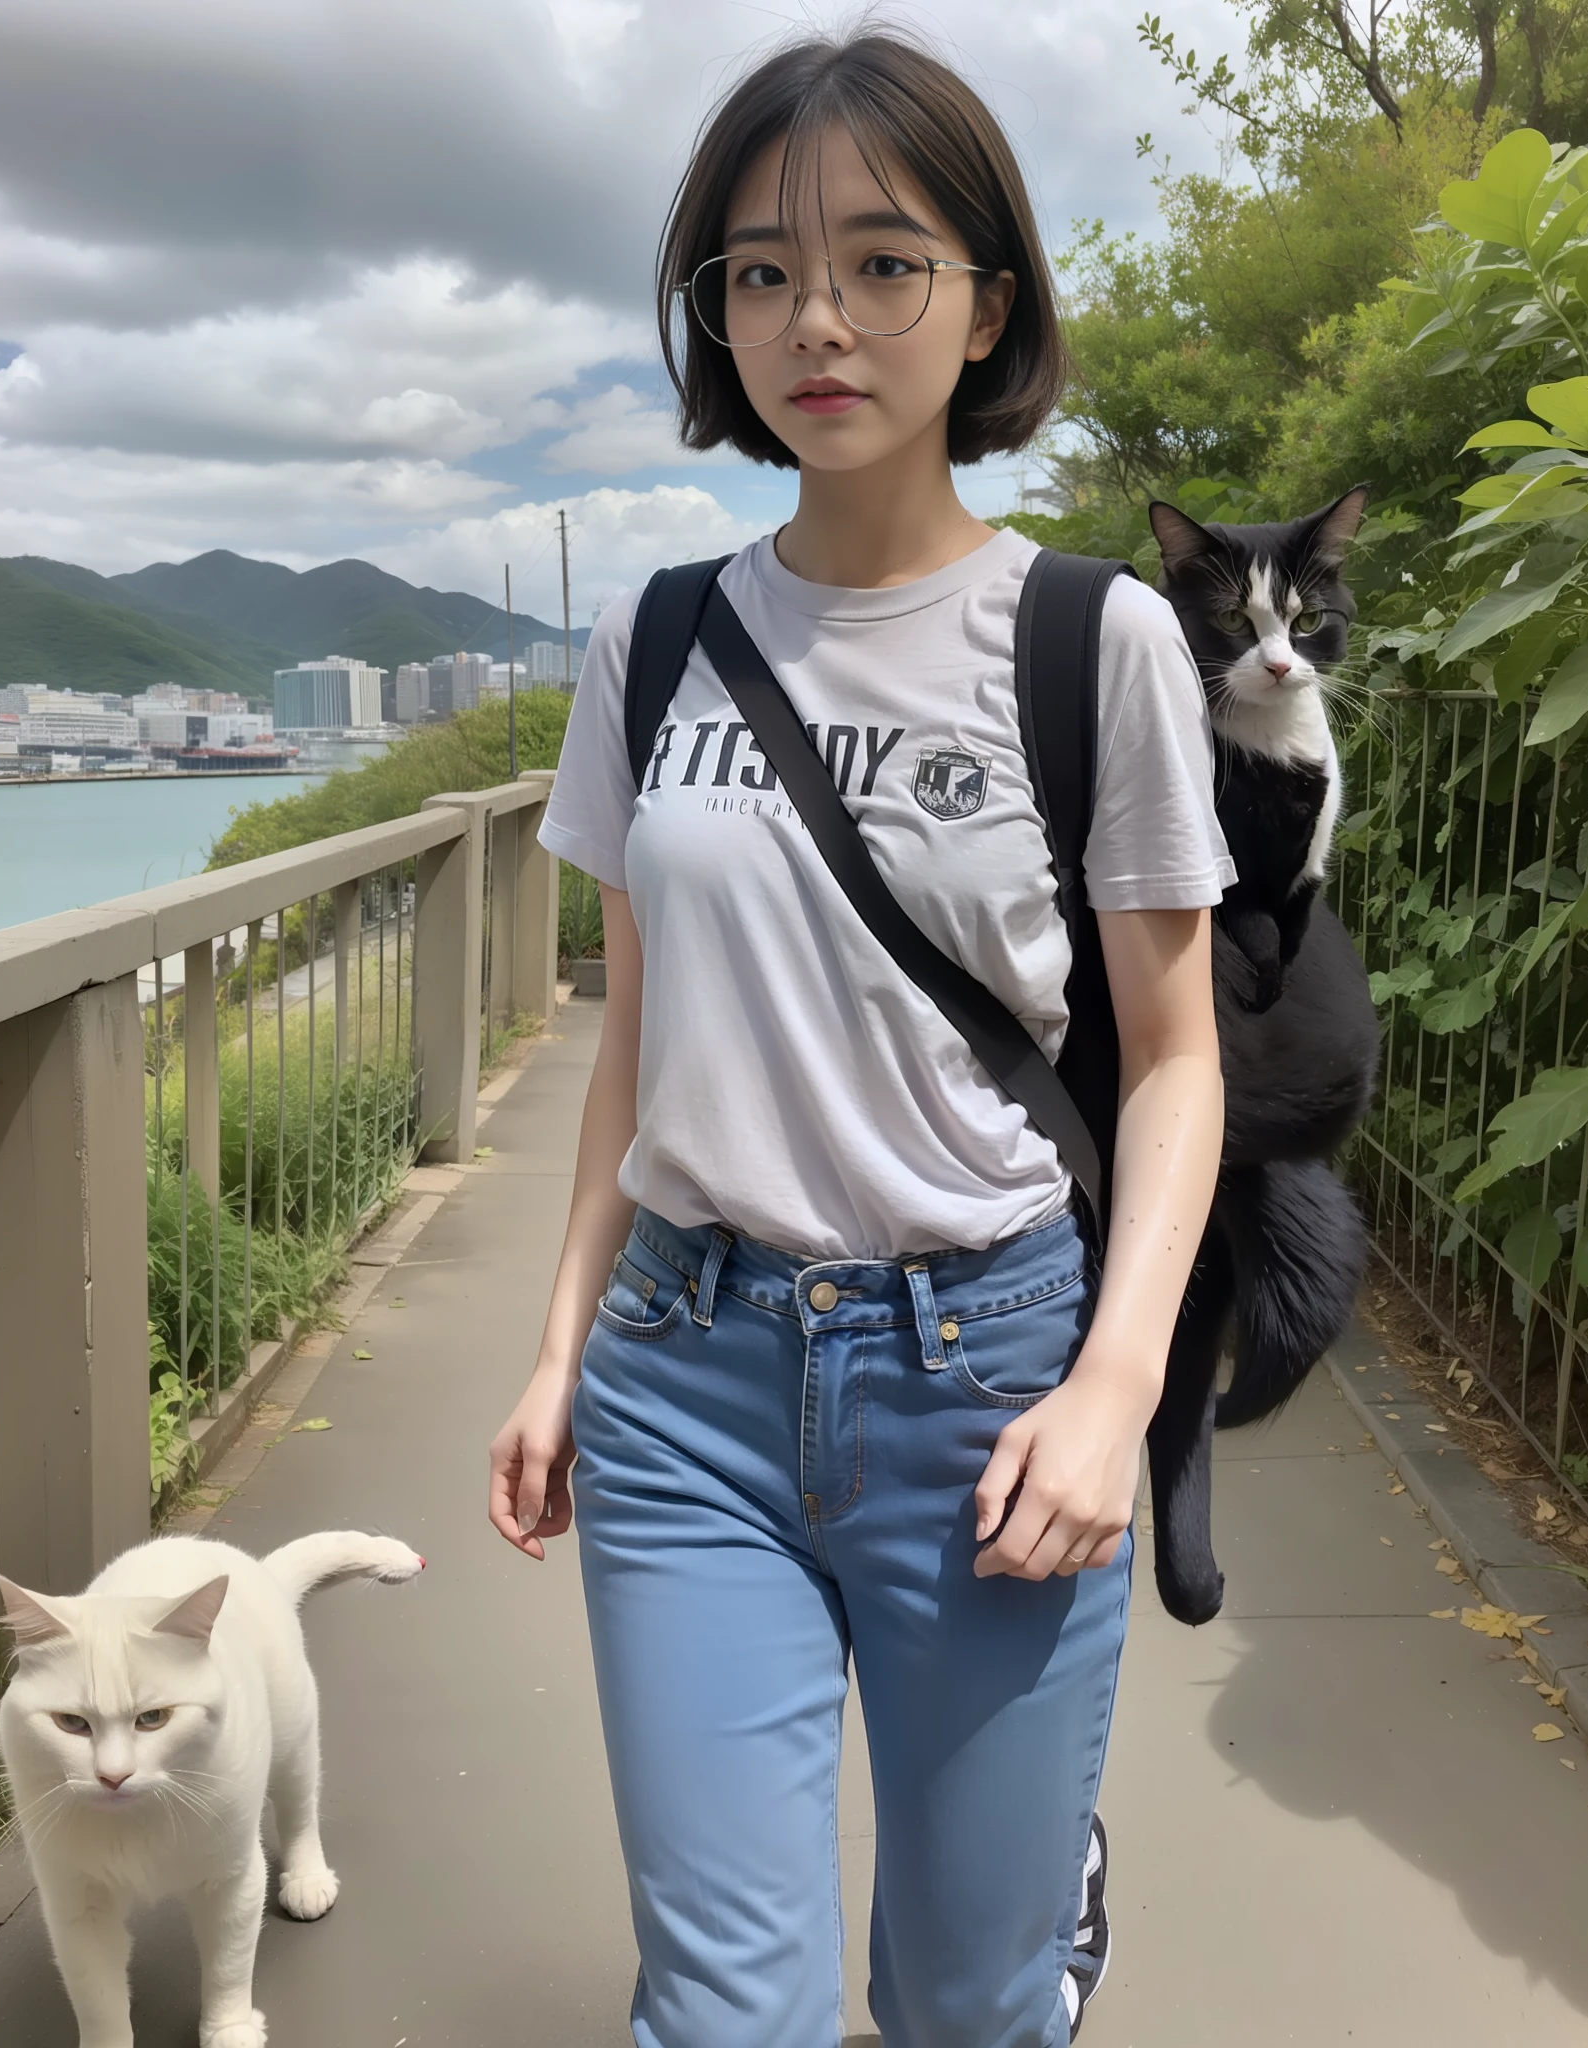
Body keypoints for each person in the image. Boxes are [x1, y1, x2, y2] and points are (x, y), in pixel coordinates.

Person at [488, 28, 1229, 2048]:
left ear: (987, 303)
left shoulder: (1096, 639)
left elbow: (1171, 1059)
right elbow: (633, 1045)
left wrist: (1112, 1390)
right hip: (685, 1389)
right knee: (726, 2012)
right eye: (756, 270)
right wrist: (561, 1345)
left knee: (964, 2006)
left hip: (983, 1386)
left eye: (882, 261)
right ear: (713, 318)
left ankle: (1018, 1903)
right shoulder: (651, 640)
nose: (814, 316)